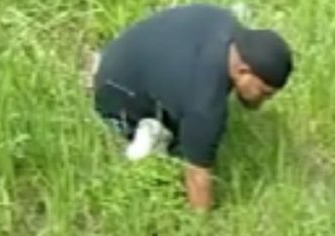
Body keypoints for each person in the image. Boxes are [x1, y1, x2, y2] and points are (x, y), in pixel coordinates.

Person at [93, 4, 293, 210]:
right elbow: (198, 176)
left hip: (118, 56)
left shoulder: (223, 19)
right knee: (179, 148)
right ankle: (146, 132)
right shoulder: (205, 104)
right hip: (114, 97)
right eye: (264, 92)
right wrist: (203, 227)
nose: (263, 101)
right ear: (243, 71)